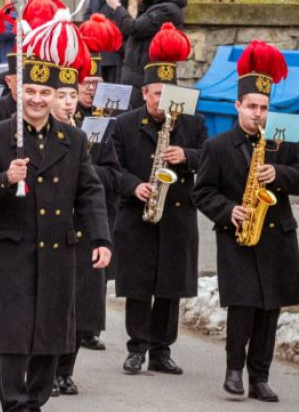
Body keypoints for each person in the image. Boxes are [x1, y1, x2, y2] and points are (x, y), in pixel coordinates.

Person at [0, 52, 111, 412]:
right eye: (30, 90)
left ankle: (36, 402)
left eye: (44, 92)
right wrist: (6, 179)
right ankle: (15, 403)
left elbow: (89, 191)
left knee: (51, 333)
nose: (36, 99)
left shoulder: (73, 139)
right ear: (19, 91)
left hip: (58, 250)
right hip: (13, 250)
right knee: (14, 336)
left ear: (56, 95)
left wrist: (100, 238)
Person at [193, 41, 299, 403]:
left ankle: (259, 377)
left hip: (276, 238)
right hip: (238, 235)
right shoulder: (216, 147)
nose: (258, 114)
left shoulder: (283, 140)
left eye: (263, 107)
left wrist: (277, 172)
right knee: (242, 308)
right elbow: (203, 193)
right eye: (251, 107)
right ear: (238, 107)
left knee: (268, 311)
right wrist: (230, 211)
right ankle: (234, 371)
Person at [110, 26, 207, 376]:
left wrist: (189, 156)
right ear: (144, 93)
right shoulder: (122, 125)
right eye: (154, 94)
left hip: (177, 214)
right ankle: (136, 348)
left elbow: (209, 160)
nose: (160, 100)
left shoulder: (192, 124)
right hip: (137, 213)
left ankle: (162, 349)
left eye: (167, 93)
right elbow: (110, 169)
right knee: (138, 285)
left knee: (170, 286)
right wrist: (135, 187)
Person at [48, 57, 119, 396]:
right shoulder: (38, 132)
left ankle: (65, 370)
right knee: (52, 305)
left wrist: (86, 170)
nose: (67, 102)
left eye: (71, 96)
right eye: (62, 95)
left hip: (81, 229)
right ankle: (46, 368)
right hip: (50, 231)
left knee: (79, 304)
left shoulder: (94, 130)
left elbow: (112, 175)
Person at [101, 0, 186, 102]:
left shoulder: (166, 9)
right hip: (138, 73)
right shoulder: (158, 5)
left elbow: (134, 28)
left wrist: (117, 7)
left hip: (144, 75)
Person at [83, 0, 134, 85]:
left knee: (113, 92)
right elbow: (88, 13)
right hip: (97, 52)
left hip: (115, 51)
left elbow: (128, 16)